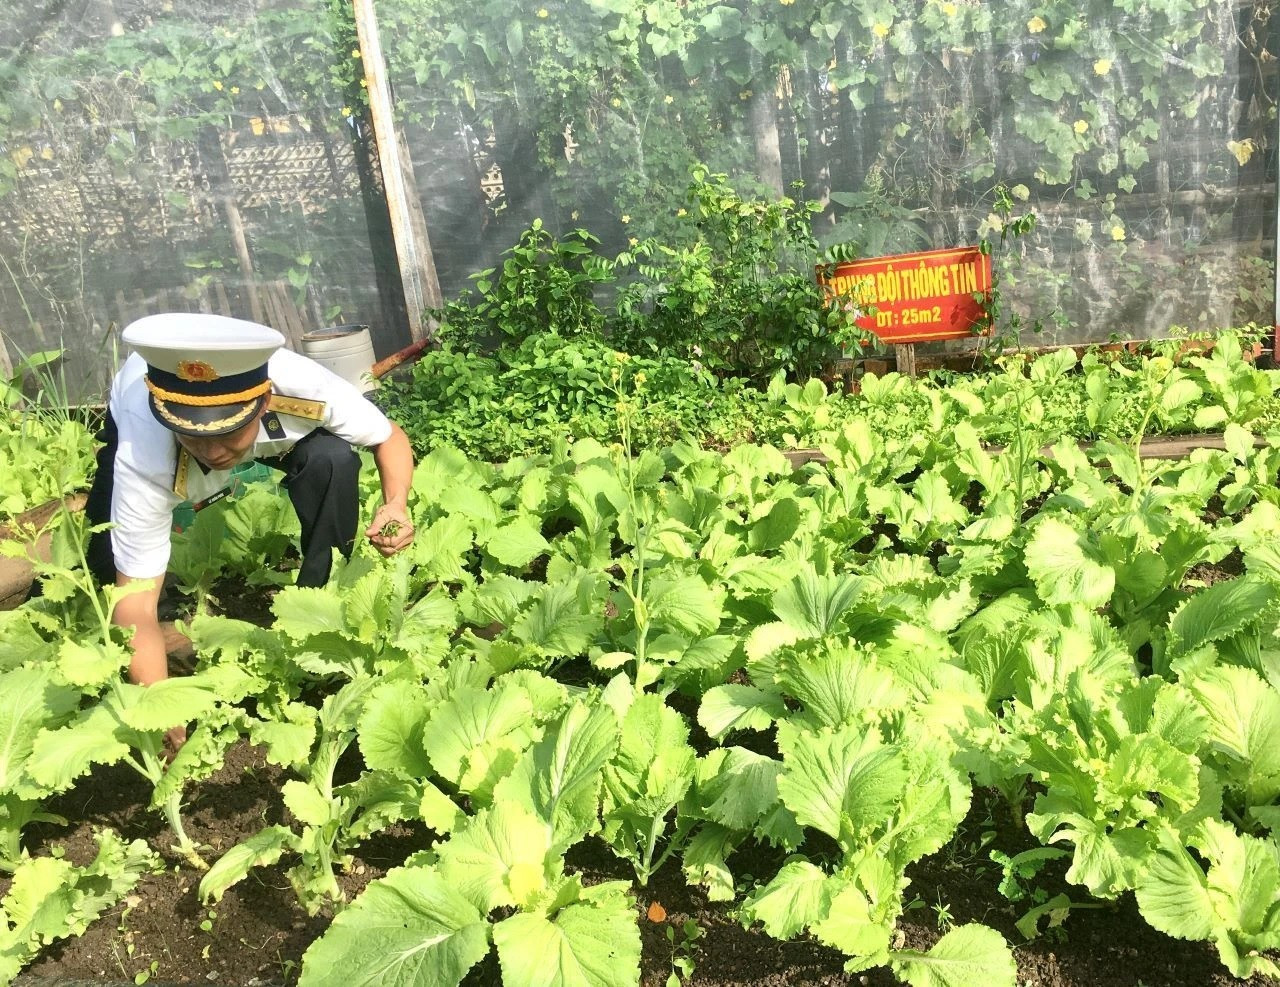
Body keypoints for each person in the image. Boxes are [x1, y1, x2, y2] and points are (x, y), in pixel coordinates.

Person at [84, 313, 416, 705]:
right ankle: (169, 616)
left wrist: (396, 504)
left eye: (227, 432)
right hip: (143, 424)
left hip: (278, 434)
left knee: (331, 458)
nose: (212, 451)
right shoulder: (146, 444)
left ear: (263, 403)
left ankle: (317, 595)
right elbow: (134, 600)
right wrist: (157, 709)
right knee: (112, 542)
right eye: (192, 436)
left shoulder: (306, 387)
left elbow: (388, 437)